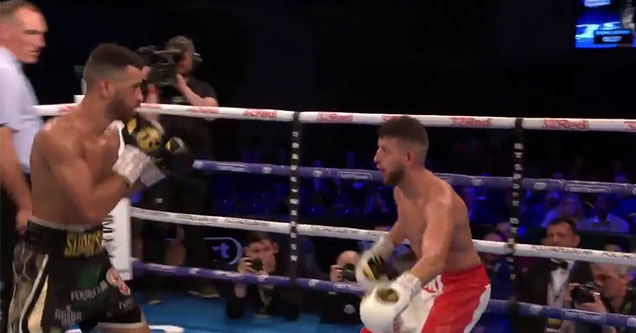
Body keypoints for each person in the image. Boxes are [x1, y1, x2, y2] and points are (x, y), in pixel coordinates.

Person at [7, 43, 192, 333]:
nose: (141, 97)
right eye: (134, 88)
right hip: (49, 261)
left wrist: (157, 171)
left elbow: (111, 194)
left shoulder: (111, 137)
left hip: (94, 257)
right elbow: (91, 208)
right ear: (106, 87)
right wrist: (137, 158)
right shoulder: (59, 138)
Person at [356, 116, 491, 333]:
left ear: (408, 157)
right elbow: (407, 221)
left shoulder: (440, 201)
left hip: (463, 287)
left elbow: (434, 259)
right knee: (372, 329)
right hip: (428, 280)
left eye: (385, 150)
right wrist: (382, 249)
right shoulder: (400, 190)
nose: (376, 158)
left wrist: (400, 290)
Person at [139, 35, 219, 302]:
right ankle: (151, 287)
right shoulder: (154, 88)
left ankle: (200, 283)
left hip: (194, 166)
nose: (177, 61)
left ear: (190, 59)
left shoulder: (202, 86)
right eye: (173, 56)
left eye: (181, 56)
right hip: (159, 164)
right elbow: (149, 121)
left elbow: (210, 113)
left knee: (195, 226)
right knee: (155, 225)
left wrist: (182, 86)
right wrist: (152, 88)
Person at [0, 1, 46, 329]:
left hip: (14, 187)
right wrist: (25, 204)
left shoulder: (9, 70)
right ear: (4, 31)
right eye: (31, 32)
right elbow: (2, 144)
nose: (40, 42)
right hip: (12, 189)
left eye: (42, 34)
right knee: (22, 286)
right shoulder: (4, 73)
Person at [514, 217, 593, 333]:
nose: (555, 240)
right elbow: (522, 311)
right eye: (550, 236)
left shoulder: (588, 271)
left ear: (575, 240)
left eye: (561, 235)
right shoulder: (533, 270)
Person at [226, 232, 300, 321]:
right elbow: (233, 314)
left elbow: (292, 314)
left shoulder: (290, 269)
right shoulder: (243, 268)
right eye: (256, 251)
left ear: (275, 248)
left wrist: (269, 286)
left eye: (266, 249)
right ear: (246, 252)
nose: (261, 256)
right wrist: (241, 284)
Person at [320, 250, 362, 325]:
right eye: (346, 268)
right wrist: (332, 288)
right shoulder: (326, 283)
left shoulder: (367, 283)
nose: (349, 272)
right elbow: (325, 319)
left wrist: (360, 290)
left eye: (352, 268)